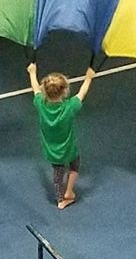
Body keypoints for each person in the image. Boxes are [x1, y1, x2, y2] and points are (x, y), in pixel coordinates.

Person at [28, 63, 95, 209]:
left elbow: (34, 89)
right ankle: (69, 192)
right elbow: (82, 94)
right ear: (65, 91)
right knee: (75, 165)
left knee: (57, 174)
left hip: (52, 150)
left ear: (44, 90)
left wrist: (32, 73)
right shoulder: (69, 107)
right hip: (69, 148)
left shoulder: (40, 104)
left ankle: (60, 200)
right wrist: (88, 78)